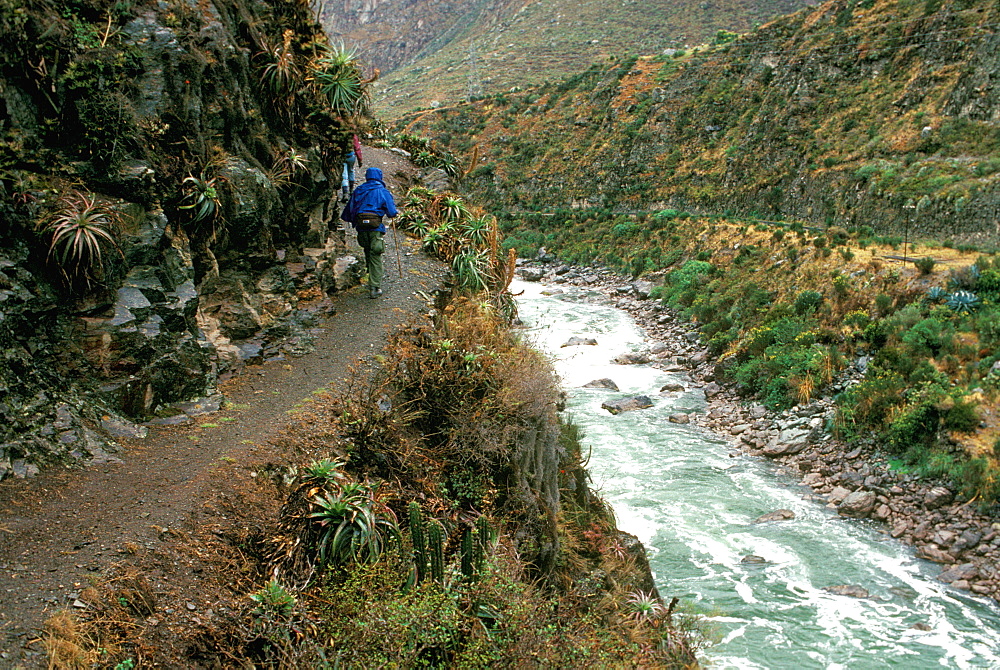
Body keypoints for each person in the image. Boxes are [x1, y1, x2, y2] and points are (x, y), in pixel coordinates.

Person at [341, 167, 397, 298]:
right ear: (379, 177)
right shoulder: (382, 191)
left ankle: (369, 275)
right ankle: (375, 287)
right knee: (375, 255)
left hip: (361, 228)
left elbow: (349, 210)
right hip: (375, 228)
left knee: (367, 250)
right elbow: (392, 212)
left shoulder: (359, 190)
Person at [340, 134, 363, 203]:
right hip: (351, 156)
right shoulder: (353, 136)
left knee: (344, 175)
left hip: (343, 156)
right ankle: (351, 190)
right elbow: (357, 148)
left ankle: (345, 193)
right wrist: (360, 160)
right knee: (351, 171)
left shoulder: (340, 134)